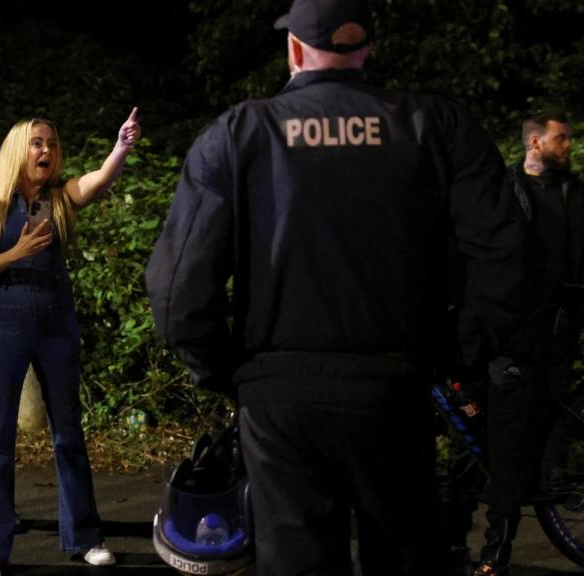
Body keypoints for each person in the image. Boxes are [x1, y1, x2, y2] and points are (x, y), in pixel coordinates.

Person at [145, 0, 530, 574]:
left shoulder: (241, 130)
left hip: (280, 399)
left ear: (295, 49)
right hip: (395, 392)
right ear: (366, 48)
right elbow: (506, 251)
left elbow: (179, 286)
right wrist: (460, 350)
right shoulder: (433, 124)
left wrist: (225, 371)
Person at [0, 109, 140, 576]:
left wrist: (121, 145)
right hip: (3, 320)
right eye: (38, 143)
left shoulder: (61, 198)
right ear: (19, 151)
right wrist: (18, 251)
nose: (47, 151)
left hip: (56, 321)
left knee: (69, 432)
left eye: (53, 144)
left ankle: (84, 536)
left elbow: (99, 181)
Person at [472, 113, 584, 576]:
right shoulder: (506, 188)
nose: (568, 146)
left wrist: (577, 305)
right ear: (534, 141)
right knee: (496, 438)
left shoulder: (574, 192)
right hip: (513, 331)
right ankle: (492, 547)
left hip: (557, 328)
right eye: (561, 138)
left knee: (539, 430)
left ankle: (517, 526)